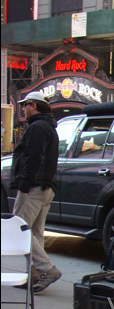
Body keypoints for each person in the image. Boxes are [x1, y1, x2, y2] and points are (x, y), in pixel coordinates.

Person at [10, 91, 61, 293]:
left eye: (25, 105)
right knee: (35, 233)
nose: (23, 108)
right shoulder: (49, 127)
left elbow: (33, 158)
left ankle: (46, 269)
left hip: (33, 187)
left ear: (34, 105)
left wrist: (24, 184)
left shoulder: (37, 127)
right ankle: (35, 275)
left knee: (19, 230)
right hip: (45, 187)